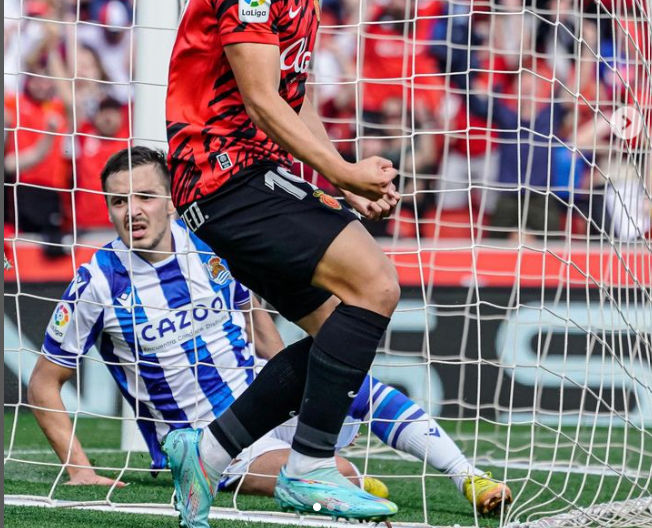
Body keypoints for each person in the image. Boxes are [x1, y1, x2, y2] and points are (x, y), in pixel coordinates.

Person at [28, 146, 511, 516]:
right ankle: (350, 481)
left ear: (172, 200)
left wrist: (290, 385)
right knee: (335, 470)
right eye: (118, 202)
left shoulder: (207, 242)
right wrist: (80, 470)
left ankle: (467, 474)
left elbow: (254, 316)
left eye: (145, 197)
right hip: (202, 435)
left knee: (344, 375)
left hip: (256, 396)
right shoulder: (97, 281)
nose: (132, 211)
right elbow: (44, 381)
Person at [165, 0, 403, 525]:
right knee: (376, 284)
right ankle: (308, 468)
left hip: (248, 177)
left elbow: (290, 104)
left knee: (341, 327)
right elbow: (262, 100)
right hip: (223, 174)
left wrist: (341, 177)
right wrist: (341, 172)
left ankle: (206, 455)